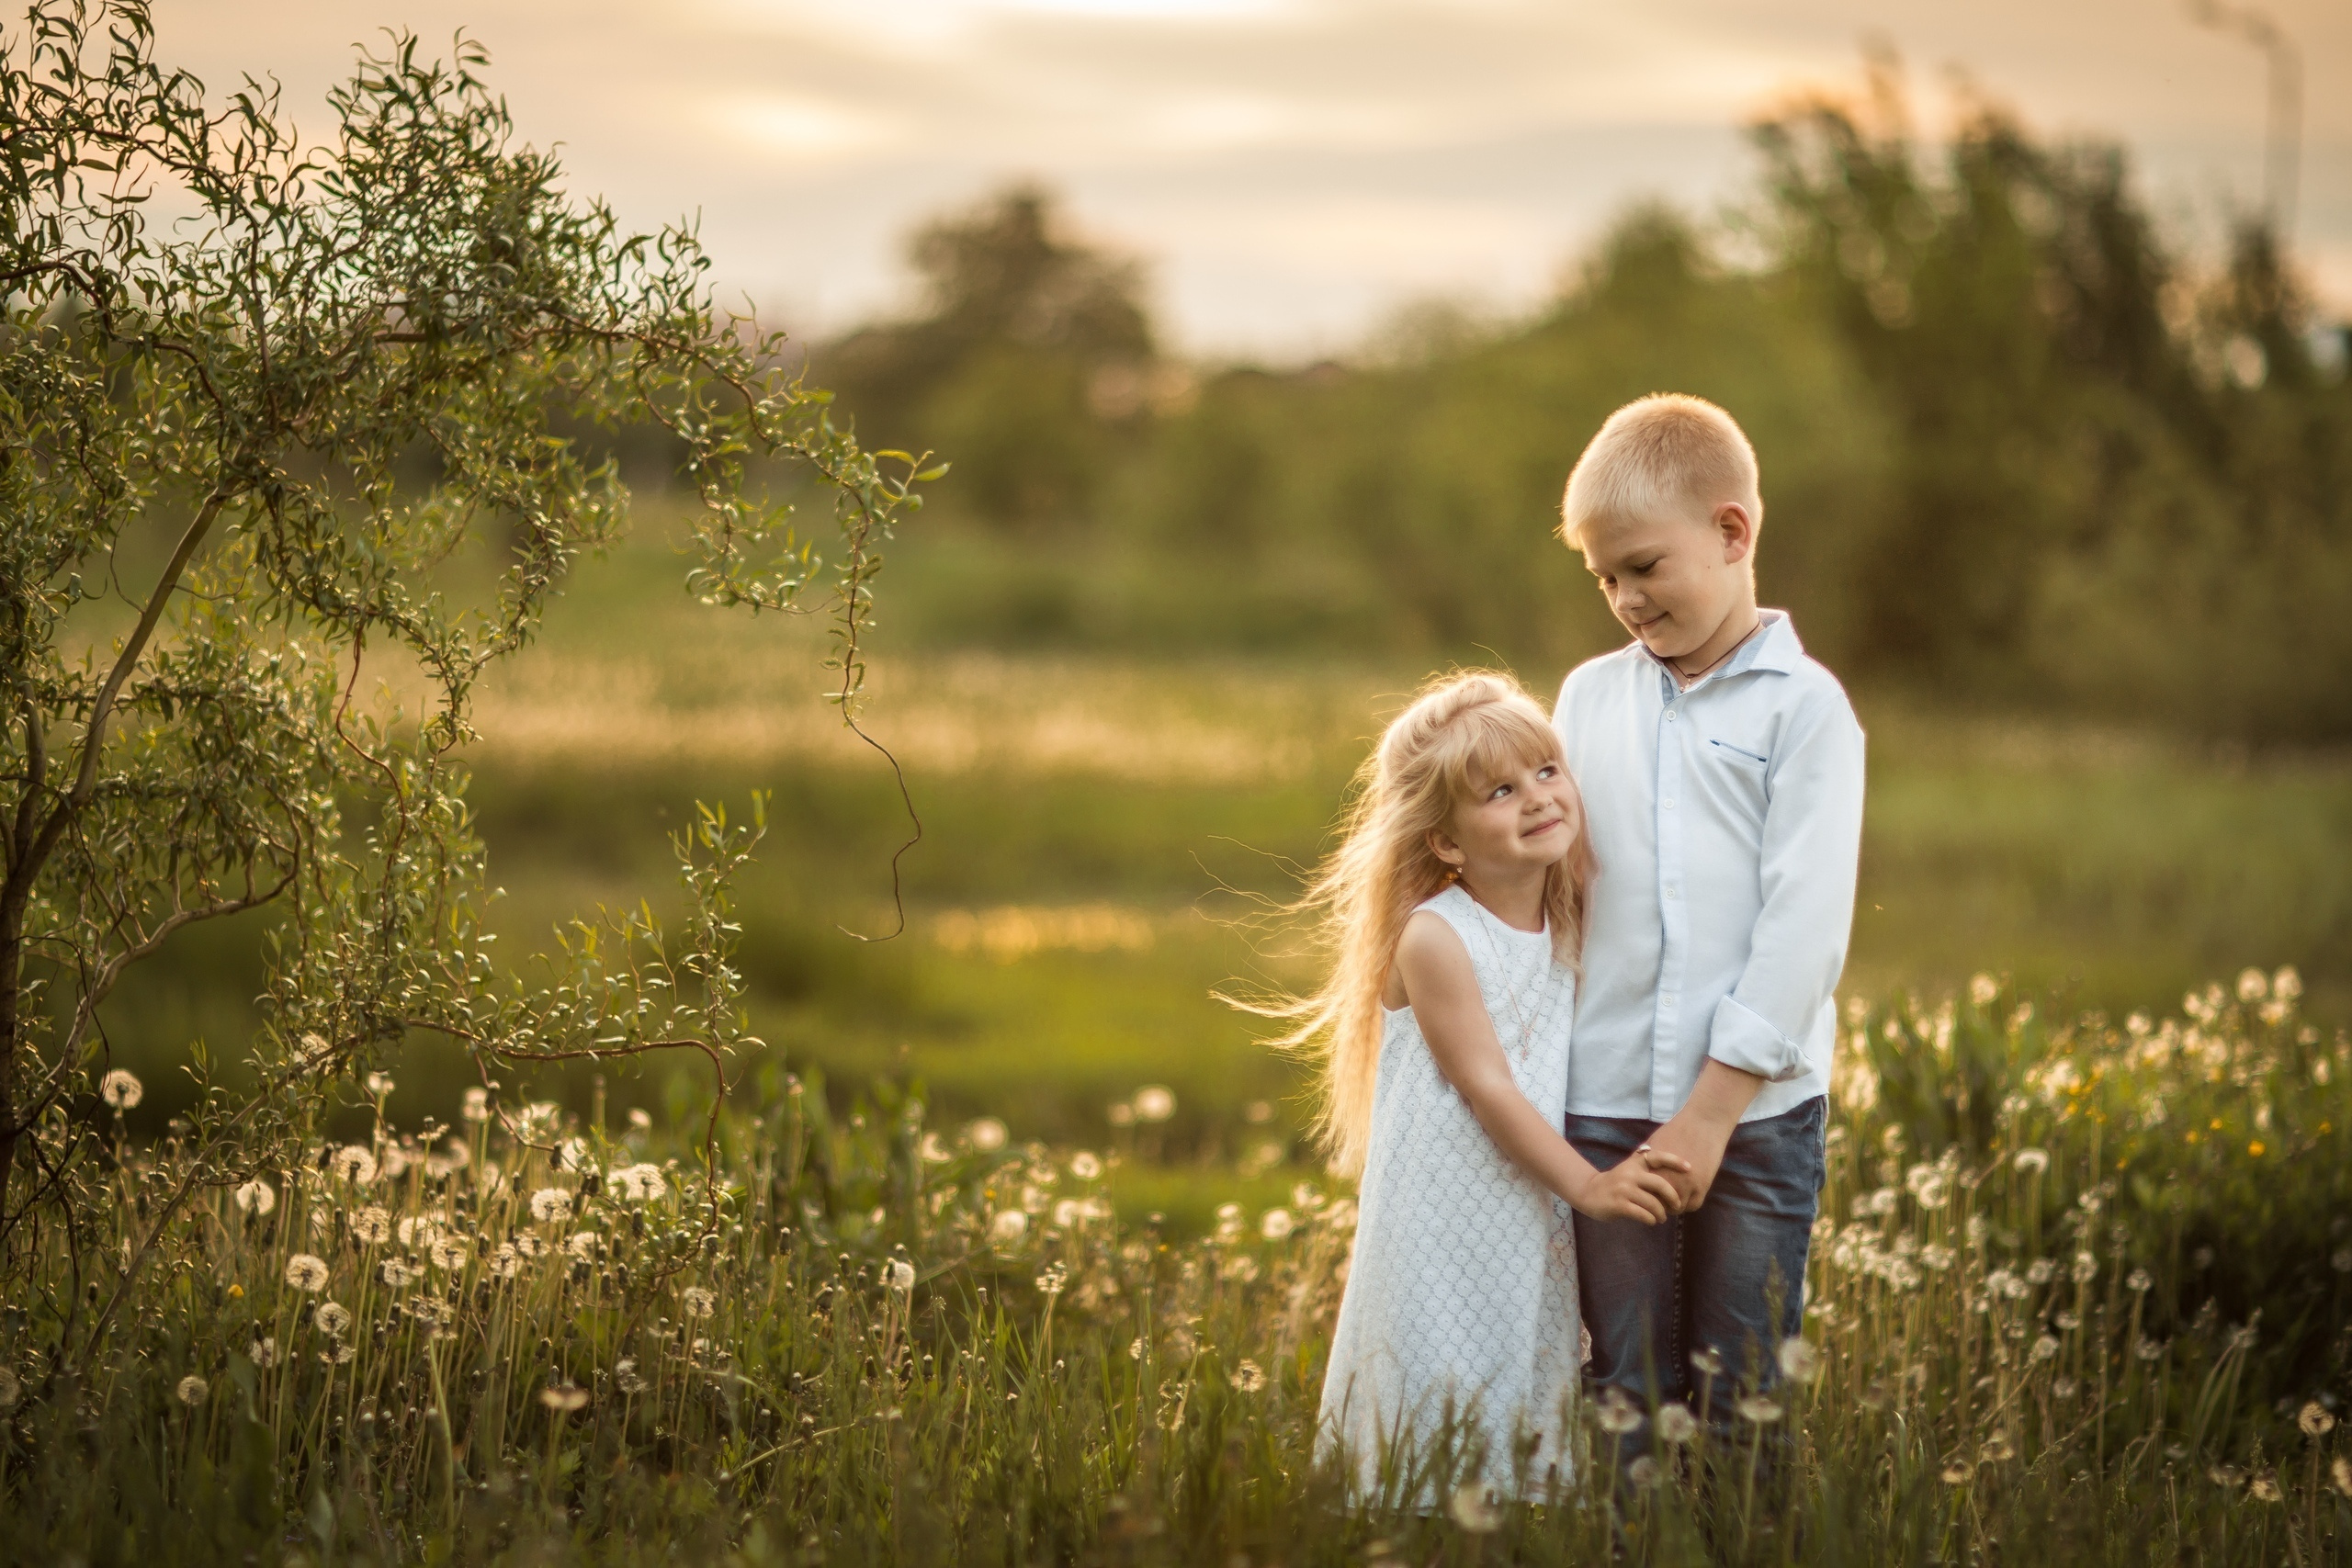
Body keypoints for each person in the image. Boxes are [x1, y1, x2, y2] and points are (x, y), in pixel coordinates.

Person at [1244, 671, 1691, 1504]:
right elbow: (1489, 1087)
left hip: (1527, 1210)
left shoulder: (1566, 914)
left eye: (1547, 772)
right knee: (1433, 1415)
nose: (1536, 798)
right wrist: (1590, 1185)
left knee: (1512, 1413)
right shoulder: (1436, 936)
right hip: (1445, 1221)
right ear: (1446, 842)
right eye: (1499, 790)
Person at [1549, 393, 1866, 1461]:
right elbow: (1549, 878)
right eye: (1603, 579)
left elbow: (1804, 929)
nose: (1625, 599)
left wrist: (1709, 1113)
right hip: (1599, 1105)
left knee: (1741, 1399)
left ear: (1732, 534)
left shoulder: (1804, 710)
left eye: (1643, 566)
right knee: (1622, 1392)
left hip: (1759, 1115)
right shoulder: (1586, 701)